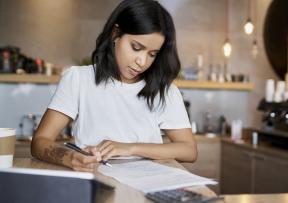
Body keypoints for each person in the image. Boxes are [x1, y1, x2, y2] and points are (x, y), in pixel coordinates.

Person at [31, 0, 197, 172]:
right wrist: (70, 157)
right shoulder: (79, 79)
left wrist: (129, 148)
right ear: (115, 34)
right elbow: (40, 141)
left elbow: (189, 151)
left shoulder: (165, 90)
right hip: (96, 177)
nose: (142, 62)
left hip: (149, 184)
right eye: (136, 47)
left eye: (152, 54)